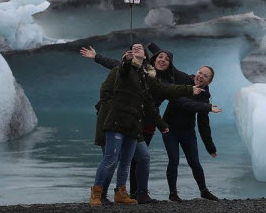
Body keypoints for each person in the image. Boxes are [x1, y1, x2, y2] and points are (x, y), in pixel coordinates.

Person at [89, 43, 203, 207]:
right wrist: (123, 62)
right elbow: (114, 80)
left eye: (140, 48)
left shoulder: (146, 78)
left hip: (135, 123)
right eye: (133, 48)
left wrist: (190, 89)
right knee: (111, 159)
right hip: (115, 120)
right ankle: (99, 194)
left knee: (130, 160)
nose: (136, 49)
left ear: (146, 56)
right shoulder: (123, 69)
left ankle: (124, 193)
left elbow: (157, 97)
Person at [162, 65, 223, 202]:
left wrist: (210, 147)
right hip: (169, 129)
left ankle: (204, 191)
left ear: (209, 82)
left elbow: (203, 125)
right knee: (174, 160)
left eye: (205, 76)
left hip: (187, 131)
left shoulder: (204, 98)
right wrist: (156, 50)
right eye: (200, 73)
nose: (201, 76)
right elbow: (170, 67)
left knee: (195, 162)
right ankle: (173, 193)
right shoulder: (183, 81)